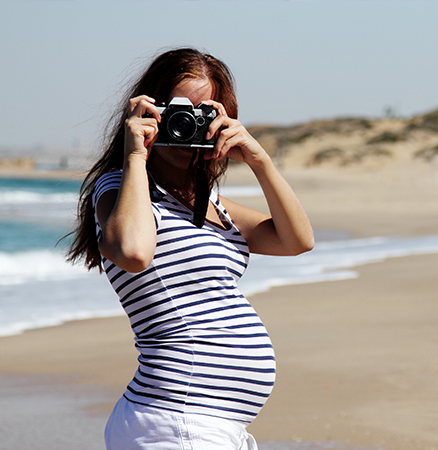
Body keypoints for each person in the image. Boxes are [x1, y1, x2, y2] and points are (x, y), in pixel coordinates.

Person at [67, 47, 314, 450]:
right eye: (178, 112)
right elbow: (132, 252)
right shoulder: (120, 188)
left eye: (205, 113)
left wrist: (259, 160)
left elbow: (297, 240)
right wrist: (135, 154)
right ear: (150, 110)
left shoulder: (207, 201)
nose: (188, 126)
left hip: (206, 425)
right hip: (176, 419)